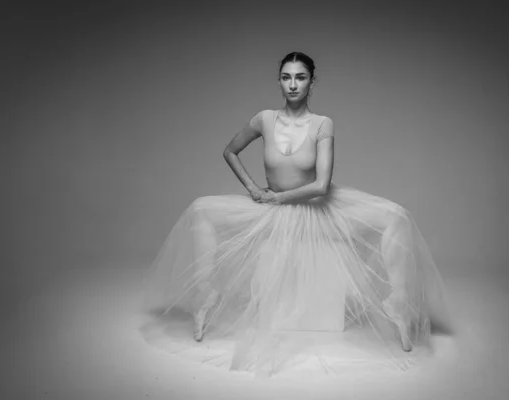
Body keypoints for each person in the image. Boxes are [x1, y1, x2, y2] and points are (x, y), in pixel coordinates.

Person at [142, 52, 454, 377]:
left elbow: (321, 185)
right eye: (287, 77)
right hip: (272, 205)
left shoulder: (322, 124)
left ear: (312, 82)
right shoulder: (264, 119)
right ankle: (205, 295)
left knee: (397, 217)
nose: (293, 84)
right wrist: (252, 189)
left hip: (315, 207)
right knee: (201, 210)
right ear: (279, 80)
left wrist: (278, 197)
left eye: (300, 77)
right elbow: (230, 151)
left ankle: (398, 304)